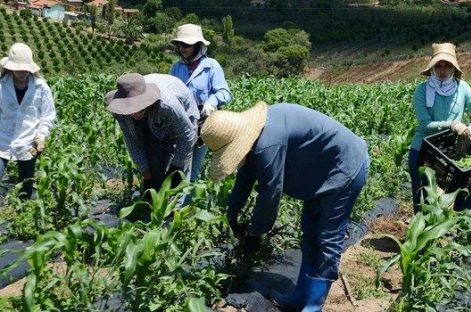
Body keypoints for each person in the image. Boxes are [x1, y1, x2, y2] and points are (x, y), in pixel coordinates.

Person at [200, 102, 369, 312]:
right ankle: (300, 294)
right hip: (319, 174)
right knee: (309, 232)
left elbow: (270, 194)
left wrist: (255, 233)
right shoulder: (254, 137)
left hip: (345, 167)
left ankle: (314, 305)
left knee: (327, 237)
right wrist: (232, 215)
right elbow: (244, 179)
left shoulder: (267, 144)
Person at [408, 42, 471, 213]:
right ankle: (423, 232)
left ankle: (455, 228)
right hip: (422, 149)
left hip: (449, 152)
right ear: (433, 68)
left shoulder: (462, 88)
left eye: (447, 66)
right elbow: (425, 124)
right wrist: (452, 125)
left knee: (461, 192)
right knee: (422, 197)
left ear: (453, 68)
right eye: (439, 66)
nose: (443, 70)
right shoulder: (422, 91)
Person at [105, 73, 199, 203]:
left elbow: (187, 136)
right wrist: (147, 177)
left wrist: (175, 168)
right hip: (152, 121)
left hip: (182, 118)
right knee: (155, 168)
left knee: (177, 182)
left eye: (137, 106)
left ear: (146, 101)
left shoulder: (167, 105)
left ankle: (175, 213)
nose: (134, 112)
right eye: (129, 107)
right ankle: (156, 203)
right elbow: (133, 142)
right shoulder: (120, 111)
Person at [170, 24, 232, 182]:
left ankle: (190, 203)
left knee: (193, 169)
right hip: (179, 122)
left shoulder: (211, 66)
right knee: (177, 168)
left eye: (188, 44)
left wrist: (211, 102)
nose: (183, 48)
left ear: (198, 45)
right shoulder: (176, 68)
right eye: (180, 44)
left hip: (202, 123)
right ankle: (177, 202)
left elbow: (225, 92)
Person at [0, 43, 56, 200]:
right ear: (11, 68)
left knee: (25, 187)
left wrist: (41, 137)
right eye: (19, 69)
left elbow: (47, 114)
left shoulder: (41, 87)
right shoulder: (2, 85)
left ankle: (23, 216)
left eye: (25, 69)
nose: (23, 72)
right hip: (2, 139)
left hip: (28, 142)